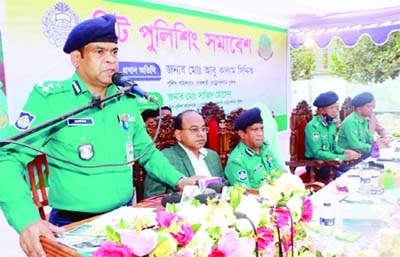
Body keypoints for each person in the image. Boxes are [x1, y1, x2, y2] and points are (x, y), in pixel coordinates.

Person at [0, 14, 200, 257]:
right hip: (73, 227)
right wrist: (26, 220)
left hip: (126, 220)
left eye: (114, 52)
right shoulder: (52, 100)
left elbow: (147, 153)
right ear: (77, 58)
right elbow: (7, 159)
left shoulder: (124, 99)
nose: (111, 60)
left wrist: (180, 180)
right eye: (99, 52)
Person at [144, 110, 226, 198]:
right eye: (194, 129)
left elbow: (224, 187)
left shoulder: (212, 156)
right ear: (178, 134)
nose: (201, 134)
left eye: (204, 129)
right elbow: (152, 198)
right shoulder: (163, 158)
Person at [305, 91, 361, 180]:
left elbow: (334, 146)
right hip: (318, 165)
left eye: (336, 108)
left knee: (354, 172)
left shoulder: (331, 124)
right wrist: (343, 157)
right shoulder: (313, 126)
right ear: (321, 110)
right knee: (344, 178)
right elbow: (317, 153)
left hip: (332, 162)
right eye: (332, 108)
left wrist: (344, 151)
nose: (335, 111)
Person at [224, 107, 283, 189]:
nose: (260, 134)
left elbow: (281, 174)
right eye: (255, 130)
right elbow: (246, 193)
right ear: (242, 134)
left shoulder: (265, 149)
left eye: (262, 129)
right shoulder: (237, 161)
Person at [338, 91, 374, 158]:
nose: (372, 109)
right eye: (368, 106)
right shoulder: (350, 122)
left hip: (360, 155)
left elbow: (369, 138)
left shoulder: (365, 120)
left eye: (372, 106)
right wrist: (373, 148)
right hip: (347, 159)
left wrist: (378, 144)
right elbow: (355, 144)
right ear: (359, 109)